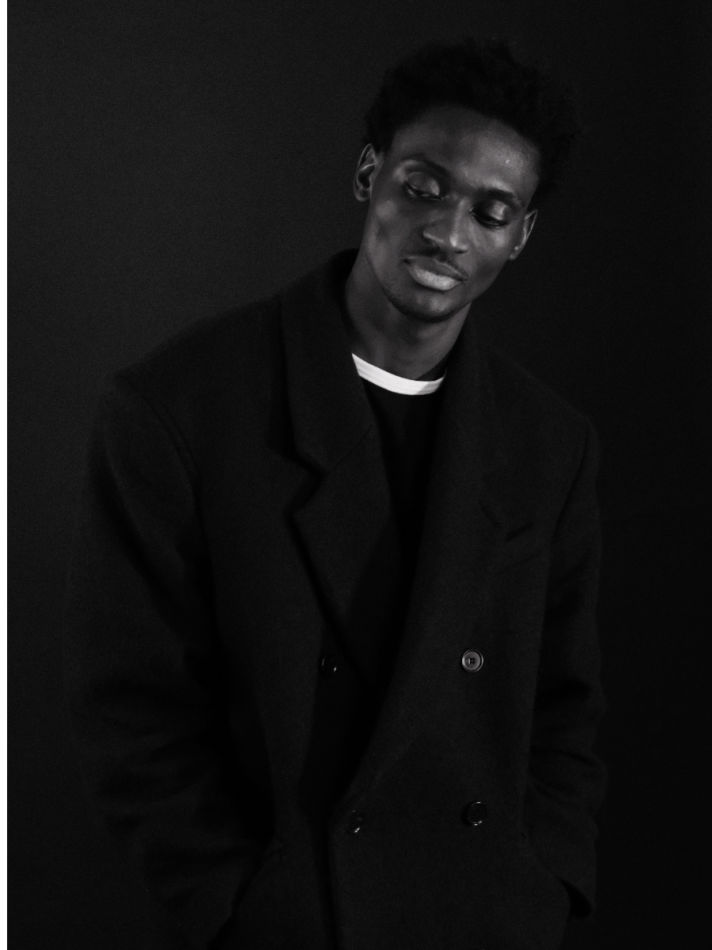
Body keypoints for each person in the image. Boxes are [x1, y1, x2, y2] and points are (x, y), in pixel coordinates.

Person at [64, 38, 606, 950]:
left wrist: (542, 885)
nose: (448, 233)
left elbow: (567, 707)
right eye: (423, 187)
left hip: (482, 921)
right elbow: (132, 708)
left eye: (491, 211)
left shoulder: (550, 445)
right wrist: (237, 904)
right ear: (369, 175)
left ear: (520, 236)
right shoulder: (181, 409)